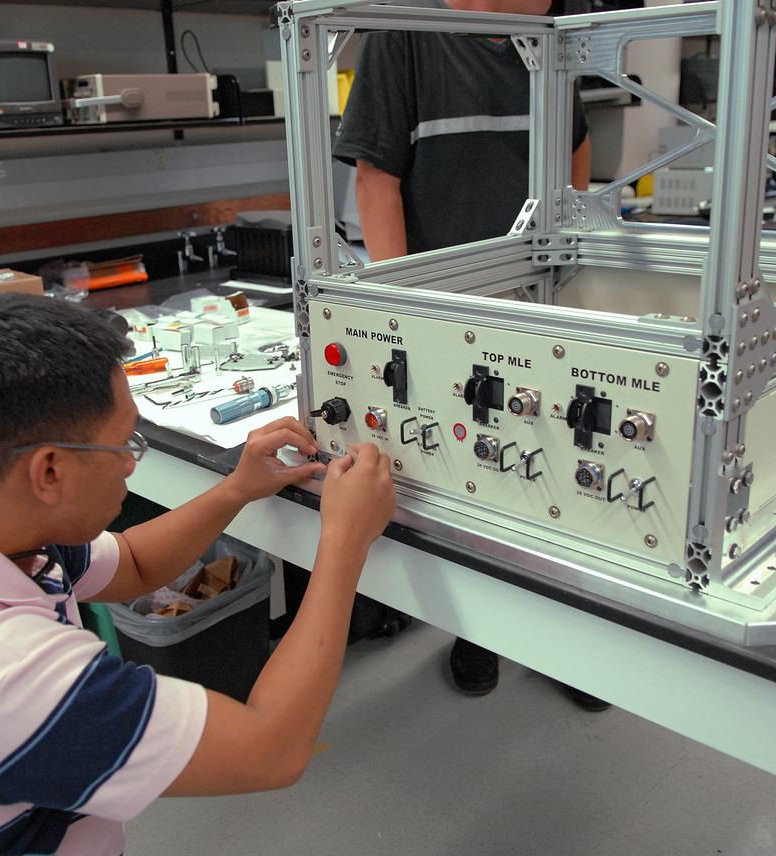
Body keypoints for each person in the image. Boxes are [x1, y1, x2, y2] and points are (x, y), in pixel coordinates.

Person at [0, 293, 395, 855]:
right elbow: (273, 750)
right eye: (122, 444)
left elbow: (133, 563)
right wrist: (345, 540)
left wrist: (237, 488)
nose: (132, 462)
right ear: (49, 472)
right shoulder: (6, 677)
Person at [333, 0, 604, 709]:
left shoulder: (549, 42)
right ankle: (477, 630)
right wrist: (405, 308)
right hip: (449, 314)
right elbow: (376, 178)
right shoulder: (405, 39)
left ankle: (571, 640)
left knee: (569, 472)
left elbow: (575, 146)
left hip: (543, 303)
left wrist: (569, 252)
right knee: (473, 476)